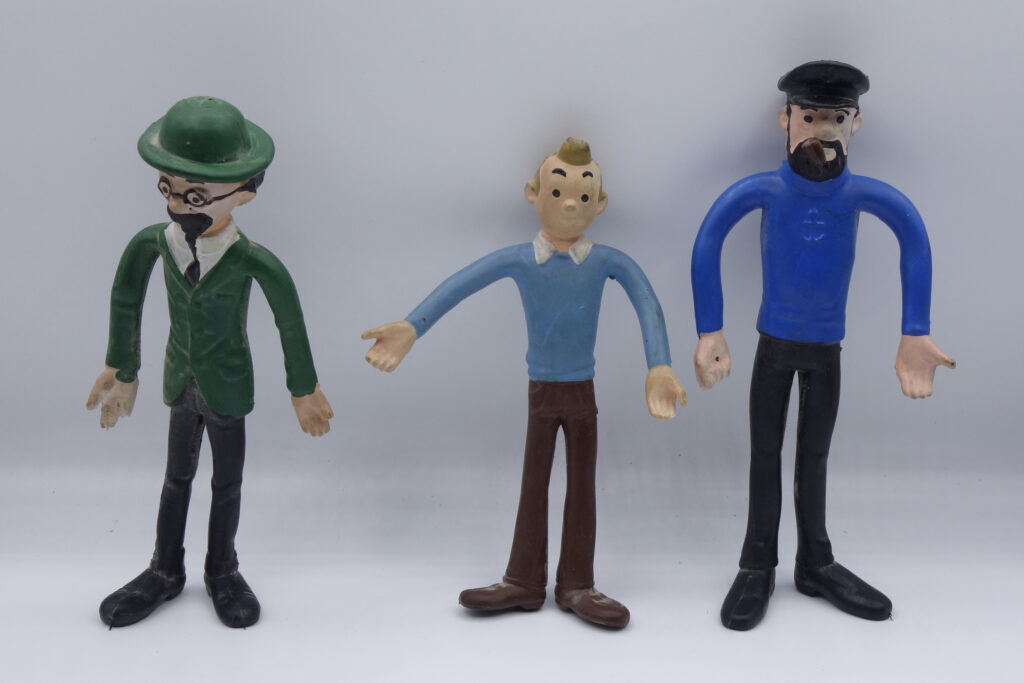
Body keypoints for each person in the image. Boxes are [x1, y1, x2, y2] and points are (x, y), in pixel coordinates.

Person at [363, 138, 686, 629]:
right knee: (533, 481)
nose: (570, 204)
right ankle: (524, 579)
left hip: (581, 391)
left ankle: (577, 582)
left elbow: (647, 300)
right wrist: (413, 326)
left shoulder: (606, 261)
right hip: (542, 390)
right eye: (557, 192)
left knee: (582, 485)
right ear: (533, 194)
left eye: (583, 194)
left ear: (600, 203)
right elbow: (461, 284)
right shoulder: (521, 259)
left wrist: (659, 364)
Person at [690, 61, 955, 630]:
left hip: (826, 350)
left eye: (835, 118)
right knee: (765, 453)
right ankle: (757, 564)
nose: (822, 130)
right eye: (810, 117)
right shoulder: (766, 190)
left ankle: (816, 562)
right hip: (773, 346)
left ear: (855, 124)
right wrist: (710, 328)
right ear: (785, 120)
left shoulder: (860, 194)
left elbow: (913, 234)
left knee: (814, 456)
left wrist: (915, 330)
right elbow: (709, 237)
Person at [87, 96, 333, 628]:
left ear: (243, 193)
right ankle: (164, 568)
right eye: (168, 188)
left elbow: (288, 318)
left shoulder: (252, 260)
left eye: (195, 194)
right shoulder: (154, 244)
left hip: (227, 385)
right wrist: (122, 369)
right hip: (180, 381)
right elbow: (126, 296)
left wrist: (303, 387)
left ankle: (222, 569)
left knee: (227, 483)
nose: (178, 205)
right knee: (175, 477)